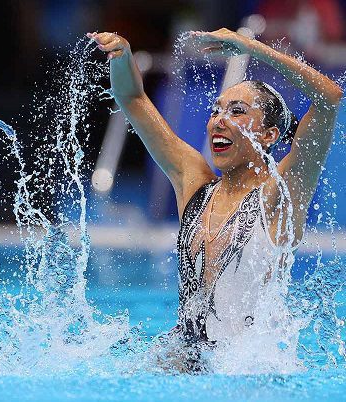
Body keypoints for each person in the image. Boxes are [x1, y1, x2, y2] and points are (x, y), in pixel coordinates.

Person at [89, 28, 343, 370]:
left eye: (236, 111)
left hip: (246, 373)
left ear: (269, 135)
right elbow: (133, 99)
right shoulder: (194, 182)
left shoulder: (280, 195)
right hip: (182, 360)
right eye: (216, 110)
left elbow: (329, 97)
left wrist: (253, 49)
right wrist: (122, 56)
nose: (218, 122)